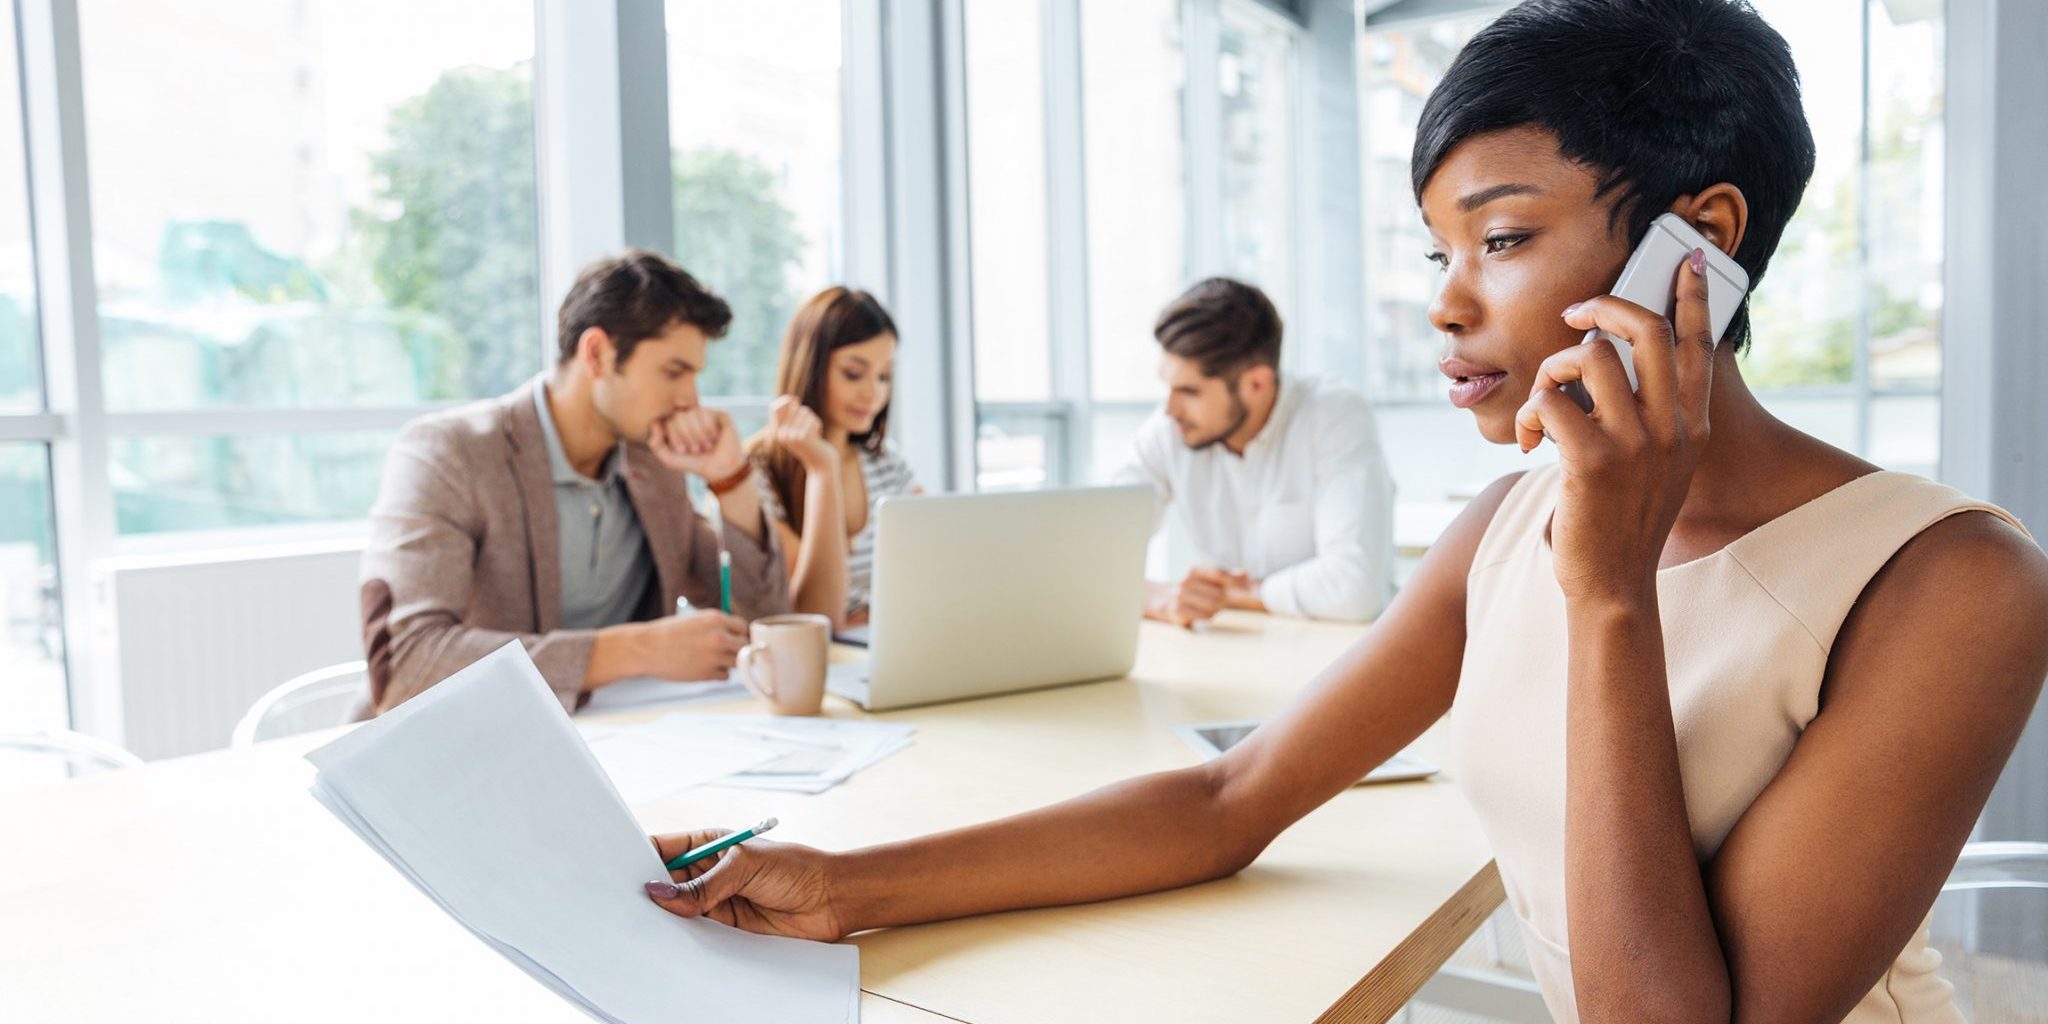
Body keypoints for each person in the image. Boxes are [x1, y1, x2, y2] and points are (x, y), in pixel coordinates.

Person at [637, 2, 2048, 1021]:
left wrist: (1610, 591)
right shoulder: (1508, 526)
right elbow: (1227, 798)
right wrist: (840, 885)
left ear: (1705, 242)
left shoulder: (1955, 584)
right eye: (1436, 247)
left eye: (1499, 238)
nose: (1443, 302)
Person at [358, 250, 830, 714]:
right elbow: (408, 666)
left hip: (622, 748)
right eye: (674, 372)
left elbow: (764, 628)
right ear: (598, 354)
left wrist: (731, 480)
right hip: (463, 754)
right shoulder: (449, 454)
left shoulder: (653, 465)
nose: (690, 400)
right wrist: (634, 650)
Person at [1113, 278, 1395, 626]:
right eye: (1168, 387)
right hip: (1235, 655)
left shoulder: (1334, 415)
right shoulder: (1170, 429)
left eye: (1189, 391)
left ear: (1257, 384)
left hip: (1337, 656)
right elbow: (1092, 554)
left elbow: (1356, 588)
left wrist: (1238, 595)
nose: (1170, 408)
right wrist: (1160, 597)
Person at [750, 287, 919, 628]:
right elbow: (818, 613)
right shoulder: (755, 471)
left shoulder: (886, 463)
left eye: (884, 376)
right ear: (809, 366)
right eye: (854, 373)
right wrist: (822, 469)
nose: (873, 393)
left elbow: (939, 567)